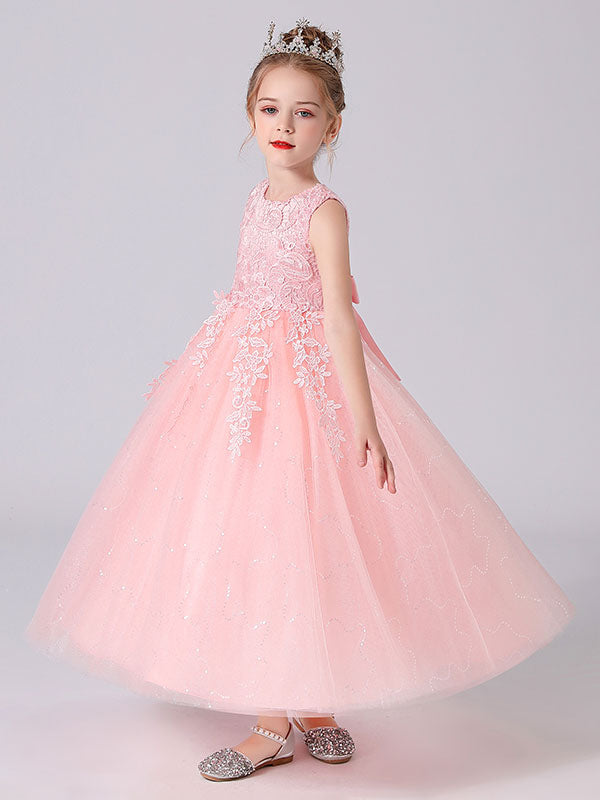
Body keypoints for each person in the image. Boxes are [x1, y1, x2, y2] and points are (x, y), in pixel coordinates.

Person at [23, 18, 576, 783]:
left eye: (304, 112)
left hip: (307, 382)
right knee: (252, 530)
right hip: (239, 378)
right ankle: (274, 721)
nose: (285, 124)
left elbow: (338, 315)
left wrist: (365, 419)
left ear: (332, 126)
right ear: (250, 116)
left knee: (311, 534)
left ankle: (310, 706)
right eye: (270, 108)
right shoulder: (255, 200)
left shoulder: (326, 211)